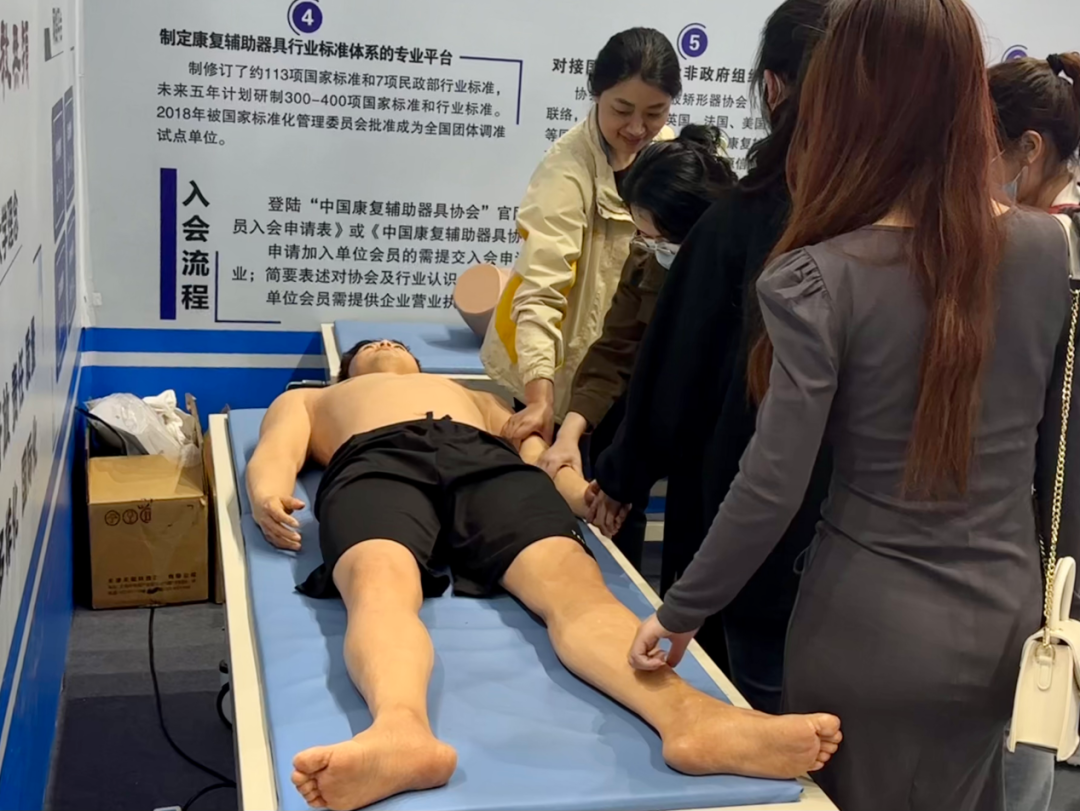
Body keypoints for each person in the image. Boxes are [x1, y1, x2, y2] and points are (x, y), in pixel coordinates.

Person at [628, 0, 1077, 807]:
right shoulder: (1046, 247)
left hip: (864, 627)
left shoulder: (818, 277)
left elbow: (772, 482)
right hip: (1005, 626)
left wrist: (683, 609)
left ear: (847, 100)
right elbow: (1056, 458)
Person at [247, 338, 842, 811]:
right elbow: (277, 450)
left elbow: (536, 452)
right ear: (347, 370)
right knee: (378, 584)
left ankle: (692, 719)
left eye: (395, 342)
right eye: (370, 345)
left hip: (485, 459)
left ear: (417, 362)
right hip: (375, 457)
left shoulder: (474, 395)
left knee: (574, 586)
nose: (384, 345)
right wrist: (267, 494)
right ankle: (400, 732)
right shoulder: (314, 398)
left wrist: (581, 494)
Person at [587, 0, 830, 709]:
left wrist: (618, 475)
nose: (637, 125)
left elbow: (675, 376)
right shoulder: (923, 230)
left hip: (746, 538)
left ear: (773, 87)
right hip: (870, 557)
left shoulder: (745, 220)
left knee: (731, 697)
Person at [537, 125, 737, 568]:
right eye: (641, 234)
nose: (647, 246)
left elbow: (677, 385)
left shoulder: (740, 274)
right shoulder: (650, 257)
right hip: (666, 438)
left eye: (659, 239)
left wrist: (623, 479)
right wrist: (569, 433)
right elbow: (617, 345)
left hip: (725, 448)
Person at [482, 28, 679, 447]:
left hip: (630, 367)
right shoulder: (566, 171)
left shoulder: (670, 154)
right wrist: (540, 398)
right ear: (596, 94)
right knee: (556, 473)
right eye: (622, 110)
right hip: (563, 375)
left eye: (655, 112)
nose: (637, 128)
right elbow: (541, 290)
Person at [988, 50, 1080, 811]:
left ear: (1029, 149)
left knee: (1024, 729)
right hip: (1038, 527)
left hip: (1036, 530)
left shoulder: (1044, 247)